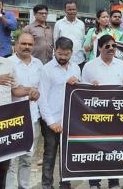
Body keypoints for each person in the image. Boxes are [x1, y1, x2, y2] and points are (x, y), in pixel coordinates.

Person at [0, 31, 39, 189]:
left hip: (3, 127)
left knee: (0, 172)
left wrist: (30, 91)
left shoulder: (7, 64)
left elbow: (15, 90)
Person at [81, 34, 123, 189]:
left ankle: (114, 182)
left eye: (114, 46)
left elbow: (122, 87)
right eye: (107, 46)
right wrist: (89, 85)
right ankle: (94, 182)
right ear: (99, 48)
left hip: (116, 115)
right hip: (96, 115)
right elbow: (81, 91)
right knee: (96, 148)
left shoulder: (121, 65)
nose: (111, 49)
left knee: (115, 148)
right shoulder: (89, 66)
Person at [38, 37, 81, 189]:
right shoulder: (46, 69)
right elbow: (41, 97)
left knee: (67, 154)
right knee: (50, 154)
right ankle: (46, 185)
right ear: (55, 51)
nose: (62, 57)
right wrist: (51, 122)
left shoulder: (76, 68)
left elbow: (78, 93)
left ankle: (65, 183)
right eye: (59, 54)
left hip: (69, 119)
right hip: (51, 119)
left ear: (72, 53)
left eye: (66, 54)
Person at [6, 33, 43, 189]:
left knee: (27, 158)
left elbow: (42, 89)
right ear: (16, 44)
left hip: (32, 117)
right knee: (10, 161)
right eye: (23, 44)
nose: (27, 47)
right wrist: (29, 90)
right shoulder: (7, 63)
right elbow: (8, 90)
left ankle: (24, 187)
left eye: (30, 44)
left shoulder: (39, 64)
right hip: (11, 118)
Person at [53, 1, 86, 67]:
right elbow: (55, 42)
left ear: (77, 10)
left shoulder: (81, 24)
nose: (72, 11)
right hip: (63, 60)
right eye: (69, 10)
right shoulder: (59, 24)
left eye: (74, 9)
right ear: (65, 10)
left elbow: (82, 40)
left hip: (79, 60)